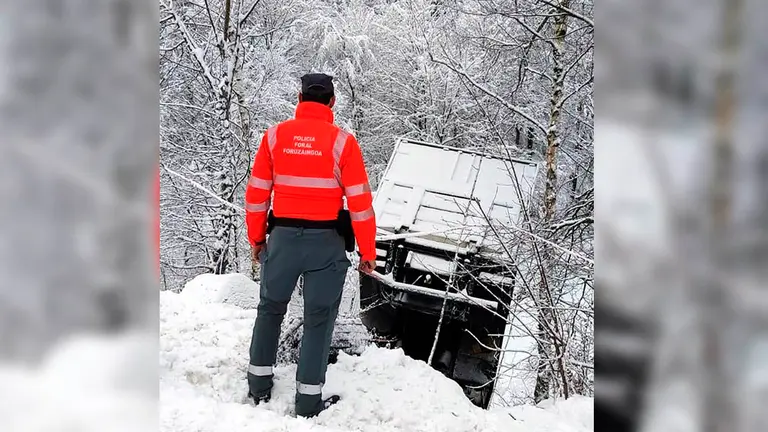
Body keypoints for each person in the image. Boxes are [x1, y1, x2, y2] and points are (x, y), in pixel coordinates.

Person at [244, 72, 377, 418]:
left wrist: (258, 239)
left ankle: (258, 387)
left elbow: (257, 196)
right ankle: (307, 402)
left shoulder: (274, 137)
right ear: (332, 102)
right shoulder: (343, 143)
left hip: (283, 239)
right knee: (319, 318)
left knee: (270, 308)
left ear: (299, 98)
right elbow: (360, 203)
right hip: (326, 244)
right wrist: (367, 251)